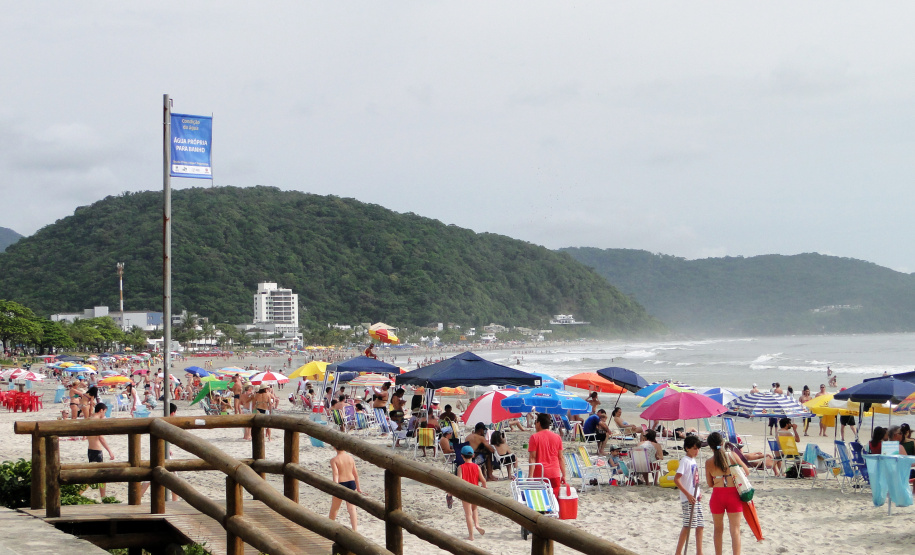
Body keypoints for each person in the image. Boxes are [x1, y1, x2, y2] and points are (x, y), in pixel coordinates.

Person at [705, 432, 749, 555]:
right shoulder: (732, 456)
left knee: (718, 530)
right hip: (733, 495)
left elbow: (710, 484)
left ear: (710, 446)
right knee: (735, 530)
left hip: (718, 496)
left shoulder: (709, 462)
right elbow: (747, 472)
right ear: (723, 443)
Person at [674, 436, 704, 555]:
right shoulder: (685, 460)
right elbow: (677, 479)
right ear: (687, 448)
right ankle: (678, 552)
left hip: (695, 497)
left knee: (700, 525)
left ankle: (699, 552)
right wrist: (687, 494)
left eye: (698, 449)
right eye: (694, 449)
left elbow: (694, 480)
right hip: (688, 499)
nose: (697, 451)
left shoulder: (693, 460)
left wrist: (698, 492)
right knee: (687, 526)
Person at [528, 412, 567, 491]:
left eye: (535, 422)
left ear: (538, 423)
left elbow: (532, 458)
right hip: (555, 473)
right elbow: (561, 457)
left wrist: (530, 476)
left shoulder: (534, 437)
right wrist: (564, 475)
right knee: (554, 500)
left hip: (540, 474)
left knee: (541, 500)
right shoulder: (557, 437)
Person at [328, 446, 362, 532]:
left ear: (334, 448)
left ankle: (329, 526)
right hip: (351, 482)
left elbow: (336, 474)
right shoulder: (350, 458)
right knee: (352, 508)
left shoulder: (334, 460)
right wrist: (358, 488)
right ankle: (355, 530)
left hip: (341, 483)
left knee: (335, 508)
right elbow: (355, 474)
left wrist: (334, 487)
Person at [458, 445, 486, 540]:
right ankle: (477, 525)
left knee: (468, 514)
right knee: (474, 509)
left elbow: (459, 481)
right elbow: (483, 480)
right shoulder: (477, 467)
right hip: (475, 491)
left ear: (462, 456)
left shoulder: (460, 467)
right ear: (473, 455)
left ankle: (471, 536)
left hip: (466, 493)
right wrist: (484, 489)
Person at [87, 404, 115, 498]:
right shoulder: (97, 421)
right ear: (101, 410)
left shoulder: (90, 418)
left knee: (95, 476)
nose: (105, 414)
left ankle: (103, 497)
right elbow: (101, 438)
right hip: (96, 450)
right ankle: (103, 498)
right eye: (105, 412)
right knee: (96, 476)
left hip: (90, 449)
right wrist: (110, 451)